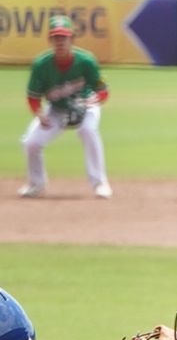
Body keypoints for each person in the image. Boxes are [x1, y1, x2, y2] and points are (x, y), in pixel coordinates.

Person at [19, 14, 112, 200]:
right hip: (56, 110)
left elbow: (103, 91)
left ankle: (100, 183)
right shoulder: (41, 65)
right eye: (56, 37)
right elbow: (32, 97)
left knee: (87, 131)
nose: (60, 41)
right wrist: (39, 114)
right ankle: (37, 184)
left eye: (64, 37)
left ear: (72, 39)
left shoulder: (86, 61)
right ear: (50, 40)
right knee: (31, 143)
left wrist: (93, 102)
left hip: (86, 106)